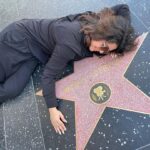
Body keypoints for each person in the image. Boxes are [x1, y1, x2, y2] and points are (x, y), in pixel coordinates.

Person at [0, 4, 136, 135]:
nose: (100, 51)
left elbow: (123, 7)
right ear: (103, 31)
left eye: (106, 50)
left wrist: (118, 41)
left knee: (11, 90)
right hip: (18, 39)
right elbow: (48, 76)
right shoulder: (70, 44)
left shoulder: (101, 23)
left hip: (35, 53)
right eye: (103, 45)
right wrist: (52, 110)